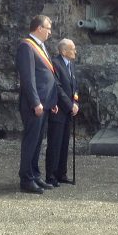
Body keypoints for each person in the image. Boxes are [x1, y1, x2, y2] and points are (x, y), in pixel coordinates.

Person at [15, 15, 59, 194]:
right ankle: (26, 179)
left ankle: (34, 174)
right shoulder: (26, 46)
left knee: (38, 142)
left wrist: (52, 100)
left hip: (45, 103)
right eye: (48, 28)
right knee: (31, 142)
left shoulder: (41, 46)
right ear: (39, 28)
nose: (50, 32)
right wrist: (36, 102)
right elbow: (28, 78)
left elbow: (47, 76)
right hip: (34, 104)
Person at [46, 39, 79, 187]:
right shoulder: (55, 64)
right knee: (55, 143)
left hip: (69, 110)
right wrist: (69, 105)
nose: (75, 51)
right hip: (58, 110)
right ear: (64, 51)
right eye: (72, 49)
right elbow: (57, 87)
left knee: (65, 143)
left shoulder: (71, 64)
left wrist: (76, 103)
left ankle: (61, 173)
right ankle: (51, 175)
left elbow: (74, 86)